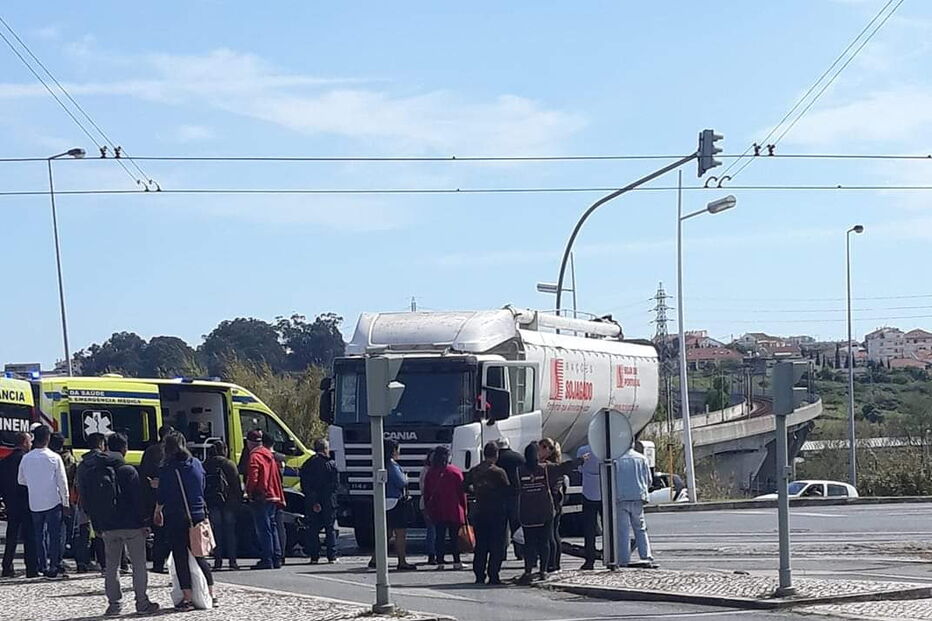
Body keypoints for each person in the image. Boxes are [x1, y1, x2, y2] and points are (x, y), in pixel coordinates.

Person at [80, 432, 159, 616]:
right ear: (124, 449)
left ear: (106, 447)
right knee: (138, 565)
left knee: (111, 566)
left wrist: (97, 524)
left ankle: (114, 605)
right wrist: (145, 522)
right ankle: (142, 603)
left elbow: (89, 499)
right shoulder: (129, 470)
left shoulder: (95, 470)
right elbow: (138, 500)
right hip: (132, 526)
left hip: (108, 526)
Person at [154, 432, 214, 612]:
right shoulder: (196, 463)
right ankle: (211, 593)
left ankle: (187, 598)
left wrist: (158, 510)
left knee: (180, 556)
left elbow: (163, 495)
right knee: (199, 554)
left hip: (176, 516)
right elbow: (202, 486)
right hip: (198, 514)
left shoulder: (168, 468)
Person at [516, 442, 584, 584]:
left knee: (529, 543)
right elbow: (563, 468)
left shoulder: (519, 470)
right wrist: (581, 460)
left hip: (527, 511)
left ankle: (528, 571)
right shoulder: (546, 468)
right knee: (544, 541)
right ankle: (543, 571)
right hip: (544, 510)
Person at [17, 424, 69, 579]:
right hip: (53, 501)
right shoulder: (54, 457)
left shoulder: (26, 458)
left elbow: (21, 480)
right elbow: (62, 482)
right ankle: (54, 566)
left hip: (35, 502)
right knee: (54, 536)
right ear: (48, 438)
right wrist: (65, 503)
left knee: (39, 536)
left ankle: (42, 565)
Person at [464, 441, 510, 585]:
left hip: (480, 511)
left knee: (481, 545)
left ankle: (479, 574)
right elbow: (507, 490)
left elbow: (464, 486)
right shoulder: (498, 472)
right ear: (496, 455)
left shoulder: (475, 470)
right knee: (496, 545)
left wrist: (476, 491)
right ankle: (493, 574)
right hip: (496, 512)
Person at [369, 439, 416, 571]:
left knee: (385, 533)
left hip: (382, 501)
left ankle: (375, 559)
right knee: (400, 534)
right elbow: (401, 482)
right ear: (393, 450)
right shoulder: (392, 465)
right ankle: (402, 561)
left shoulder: (379, 463)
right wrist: (406, 477)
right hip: (396, 502)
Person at [245, 429, 285, 570]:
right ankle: (277, 557)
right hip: (273, 494)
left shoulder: (254, 456)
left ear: (249, 443)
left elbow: (253, 477)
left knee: (263, 528)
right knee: (272, 526)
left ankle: (267, 558)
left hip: (262, 496)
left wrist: (249, 492)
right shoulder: (269, 454)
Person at [0, 432, 38, 578]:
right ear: (23, 442)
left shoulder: (4, 461)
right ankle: (31, 568)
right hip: (26, 501)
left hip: (11, 502)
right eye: (29, 442)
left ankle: (7, 566)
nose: (31, 444)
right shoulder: (26, 460)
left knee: (12, 536)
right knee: (29, 536)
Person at [423, 445, 466, 571]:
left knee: (439, 536)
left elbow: (427, 493)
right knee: (454, 537)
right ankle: (457, 561)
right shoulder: (455, 471)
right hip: (454, 509)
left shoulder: (430, 472)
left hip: (438, 509)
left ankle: (440, 561)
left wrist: (428, 508)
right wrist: (464, 508)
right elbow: (461, 492)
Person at [204, 440, 242, 571]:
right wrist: (239, 500)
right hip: (228, 503)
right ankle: (232, 561)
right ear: (224, 450)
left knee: (216, 532)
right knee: (230, 532)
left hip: (213, 502)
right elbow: (236, 485)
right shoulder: (229, 464)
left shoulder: (206, 464)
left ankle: (218, 560)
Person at [614, 441, 653, 567]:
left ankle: (624, 559)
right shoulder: (642, 459)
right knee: (640, 528)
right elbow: (649, 479)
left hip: (621, 498)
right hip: (638, 496)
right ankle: (646, 556)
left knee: (623, 530)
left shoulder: (616, 460)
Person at [300, 438, 338, 564]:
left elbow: (305, 485)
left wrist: (314, 500)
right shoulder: (331, 464)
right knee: (329, 528)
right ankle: (331, 556)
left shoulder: (307, 464)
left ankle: (314, 556)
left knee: (313, 529)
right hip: (328, 501)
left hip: (312, 501)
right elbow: (335, 485)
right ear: (325, 449)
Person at [140, 425, 173, 573]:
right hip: (168, 498)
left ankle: (158, 563)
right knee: (168, 533)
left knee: (159, 532)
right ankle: (166, 563)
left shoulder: (150, 451)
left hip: (151, 497)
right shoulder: (171, 453)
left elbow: (143, 473)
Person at [49, 433, 78, 575]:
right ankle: (58, 560)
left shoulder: (49, 458)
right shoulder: (69, 459)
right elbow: (72, 479)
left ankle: (52, 559)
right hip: (66, 498)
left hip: (49, 498)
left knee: (51, 532)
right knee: (63, 531)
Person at [493, 437, 524, 560]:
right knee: (516, 524)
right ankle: (520, 552)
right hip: (516, 496)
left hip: (499, 496)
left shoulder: (496, 459)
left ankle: (502, 553)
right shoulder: (518, 457)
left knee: (501, 527)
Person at [539, 438, 566, 573]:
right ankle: (555, 563)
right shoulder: (557, 465)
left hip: (551, 503)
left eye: (540, 448)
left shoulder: (548, 466)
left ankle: (551, 563)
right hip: (558, 502)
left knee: (549, 534)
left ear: (547, 449)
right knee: (555, 533)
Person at [576, 443, 601, 570]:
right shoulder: (606, 449)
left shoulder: (583, 450)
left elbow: (579, 469)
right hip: (604, 492)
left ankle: (589, 559)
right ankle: (610, 556)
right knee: (609, 528)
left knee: (589, 529)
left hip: (588, 492)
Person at [418, 449, 438, 565]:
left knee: (433, 529)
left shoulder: (427, 471)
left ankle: (434, 553)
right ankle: (432, 554)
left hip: (428, 502)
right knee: (432, 530)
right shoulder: (427, 471)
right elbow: (424, 488)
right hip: (427, 502)